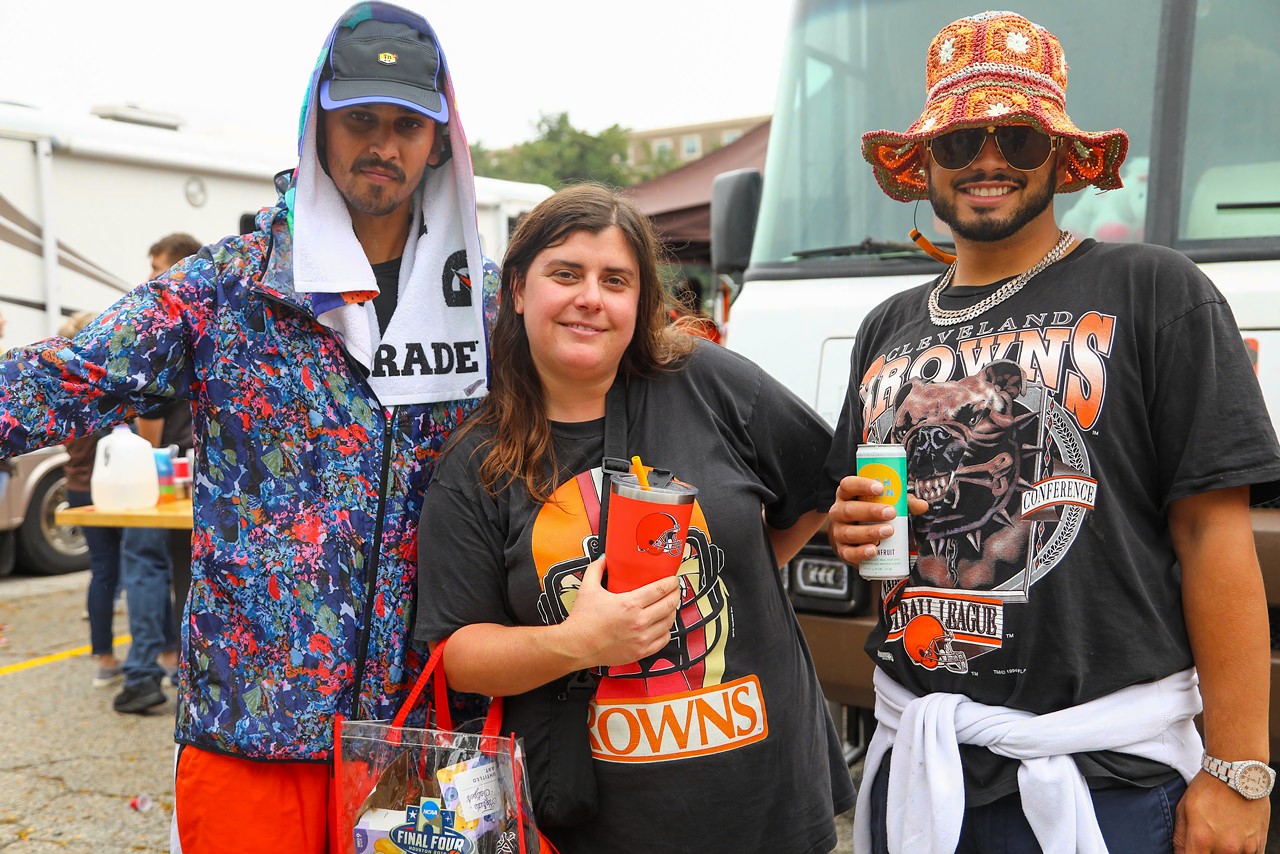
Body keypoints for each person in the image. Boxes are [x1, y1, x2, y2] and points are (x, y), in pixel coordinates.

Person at [0, 4, 494, 851]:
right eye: (360, 119)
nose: (383, 144)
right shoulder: (230, 286)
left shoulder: (481, 302)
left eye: (406, 125)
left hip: (423, 724)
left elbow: (602, 387)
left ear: (440, 140)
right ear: (319, 124)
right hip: (254, 729)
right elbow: (65, 376)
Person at [826, 11, 1280, 854]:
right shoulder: (885, 326)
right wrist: (850, 527)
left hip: (1102, 779)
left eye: (1018, 139)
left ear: (1061, 160)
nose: (987, 160)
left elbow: (1216, 537)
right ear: (925, 160)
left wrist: (1240, 769)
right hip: (920, 768)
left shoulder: (1155, 291)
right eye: (960, 141)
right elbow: (863, 519)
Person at [415, 183, 855, 853]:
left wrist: (744, 571)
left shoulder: (708, 382)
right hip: (594, 828)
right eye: (566, 274)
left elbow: (818, 484)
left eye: (615, 280)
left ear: (639, 301)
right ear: (516, 289)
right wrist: (581, 642)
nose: (591, 297)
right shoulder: (478, 460)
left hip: (767, 811)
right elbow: (459, 655)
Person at [110, 234, 203, 714]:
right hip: (207, 479)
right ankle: (191, 680)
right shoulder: (216, 322)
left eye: (155, 266)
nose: (149, 276)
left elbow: (148, 430)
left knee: (145, 566)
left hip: (164, 473)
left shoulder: (167, 329)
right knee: (194, 577)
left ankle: (144, 673)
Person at [58, 310, 127, 688]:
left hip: (78, 485)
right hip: (115, 486)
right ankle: (163, 658)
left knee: (101, 571)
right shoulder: (104, 382)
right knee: (142, 569)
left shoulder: (63, 384)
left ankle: (104, 658)